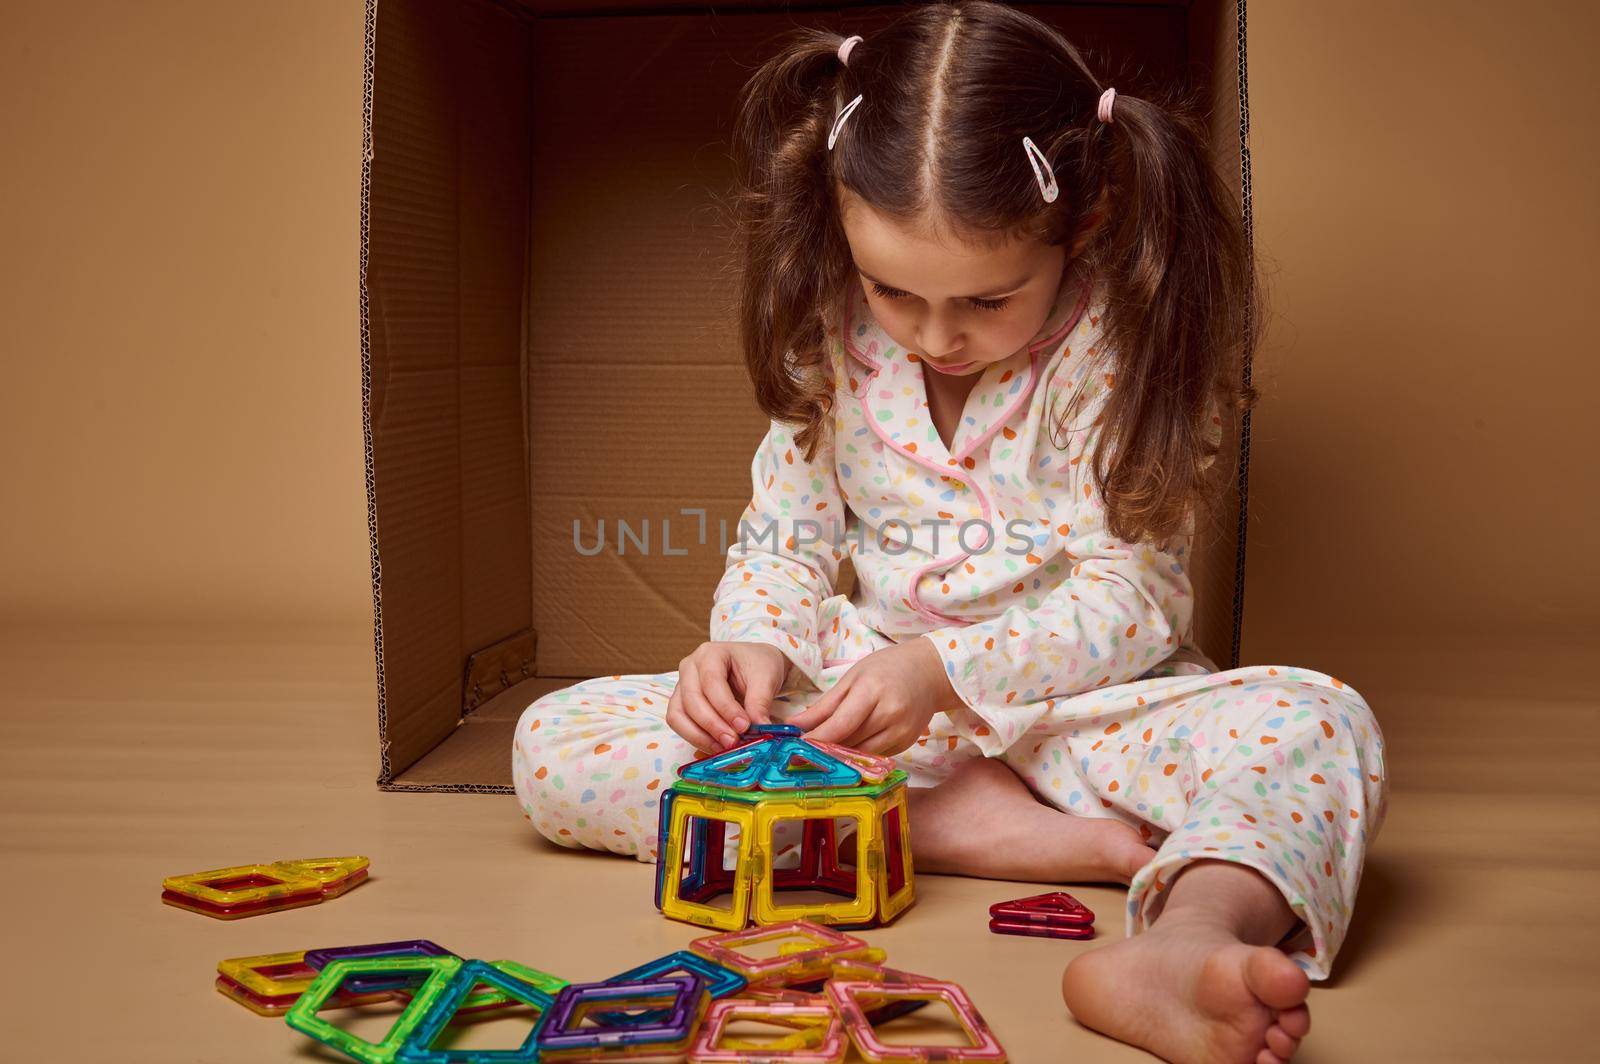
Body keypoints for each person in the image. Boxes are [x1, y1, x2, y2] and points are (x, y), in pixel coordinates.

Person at [512, 4, 1389, 1062]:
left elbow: (1135, 593)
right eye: (894, 290)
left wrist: (947, 669)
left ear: (1088, 217)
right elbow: (786, 535)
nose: (936, 335)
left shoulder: (1126, 341)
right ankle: (946, 827)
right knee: (551, 741)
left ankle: (1186, 933)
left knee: (1317, 722)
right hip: (861, 719)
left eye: (986, 296)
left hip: (1082, 714)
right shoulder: (827, 323)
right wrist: (755, 641)